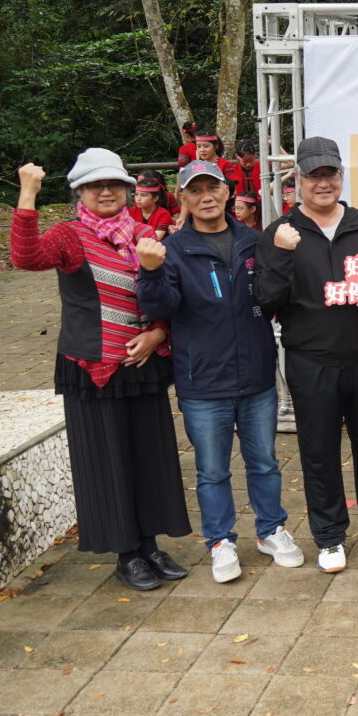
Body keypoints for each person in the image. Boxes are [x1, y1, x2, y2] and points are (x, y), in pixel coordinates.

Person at [10, 150, 190, 591]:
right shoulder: (69, 236)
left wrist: (159, 334)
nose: (105, 192)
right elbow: (26, 256)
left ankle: (149, 545)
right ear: (80, 193)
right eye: (95, 186)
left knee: (149, 458)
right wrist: (28, 194)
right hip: (92, 368)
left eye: (113, 184)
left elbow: (168, 293)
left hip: (142, 365)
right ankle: (126, 554)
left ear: (128, 190)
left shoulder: (144, 234)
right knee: (107, 463)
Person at [136, 160, 304, 582]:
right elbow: (159, 307)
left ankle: (271, 530)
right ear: (183, 198)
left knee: (264, 462)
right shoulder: (173, 249)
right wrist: (150, 271)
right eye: (195, 190)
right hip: (202, 380)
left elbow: (274, 295)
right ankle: (219, 540)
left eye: (213, 188)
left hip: (257, 375)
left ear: (228, 192)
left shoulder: (254, 240)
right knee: (212, 470)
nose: (206, 197)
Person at [255, 136, 358, 573]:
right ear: (298, 179)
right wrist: (283, 255)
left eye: (331, 174)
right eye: (314, 176)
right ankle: (328, 534)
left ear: (341, 176)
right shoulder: (281, 233)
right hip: (310, 359)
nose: (323, 183)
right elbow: (265, 300)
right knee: (318, 448)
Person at [130, 172, 172, 240]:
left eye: (143, 195)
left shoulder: (163, 214)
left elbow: (156, 238)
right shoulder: (131, 212)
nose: (138, 199)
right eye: (136, 194)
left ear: (155, 198)